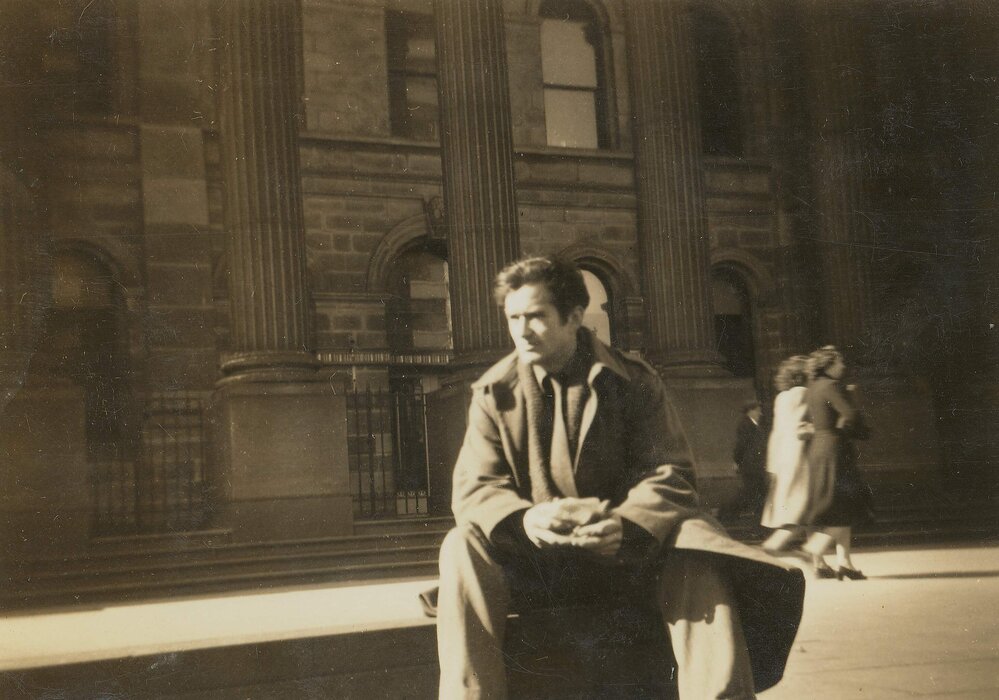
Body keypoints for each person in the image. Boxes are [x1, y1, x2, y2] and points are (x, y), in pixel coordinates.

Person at [436, 256, 805, 699]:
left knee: (694, 537)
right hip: (536, 562)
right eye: (514, 318)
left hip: (627, 558)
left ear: (574, 317)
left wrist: (625, 525)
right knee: (460, 543)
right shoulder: (493, 393)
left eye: (536, 316)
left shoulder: (633, 381)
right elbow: (475, 486)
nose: (522, 330)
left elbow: (670, 473)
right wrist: (524, 521)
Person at [799, 345, 873, 581]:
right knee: (849, 504)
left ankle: (844, 563)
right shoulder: (831, 386)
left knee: (831, 504)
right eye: (839, 362)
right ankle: (817, 548)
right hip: (836, 450)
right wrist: (854, 426)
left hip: (817, 449)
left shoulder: (812, 388)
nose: (843, 366)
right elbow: (850, 415)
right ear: (829, 364)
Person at [759, 355, 836, 577]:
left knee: (806, 511)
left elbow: (777, 433)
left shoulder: (781, 397)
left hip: (784, 459)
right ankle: (772, 547)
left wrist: (772, 466)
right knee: (804, 510)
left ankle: (818, 564)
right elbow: (812, 425)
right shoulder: (804, 394)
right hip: (803, 457)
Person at [718, 401, 769, 523]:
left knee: (754, 492)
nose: (760, 413)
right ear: (750, 411)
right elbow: (740, 446)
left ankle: (757, 520)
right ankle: (726, 514)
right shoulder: (745, 424)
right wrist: (737, 461)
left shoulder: (754, 424)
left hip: (755, 465)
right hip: (750, 465)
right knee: (749, 493)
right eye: (757, 410)